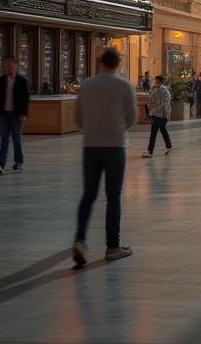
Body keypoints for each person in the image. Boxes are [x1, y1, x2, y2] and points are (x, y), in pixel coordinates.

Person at [72, 47, 138, 268]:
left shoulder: (86, 85)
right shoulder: (124, 86)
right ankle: (112, 246)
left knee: (88, 196)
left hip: (91, 146)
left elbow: (77, 117)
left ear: (100, 62)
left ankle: (80, 240)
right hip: (115, 146)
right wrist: (116, 129)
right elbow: (132, 117)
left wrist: (92, 130)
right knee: (113, 197)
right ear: (118, 64)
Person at [0, 57, 30, 175]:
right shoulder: (2, 80)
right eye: (8, 67)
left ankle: (18, 162)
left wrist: (24, 113)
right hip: (4, 114)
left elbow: (25, 98)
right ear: (5, 67)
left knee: (17, 139)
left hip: (16, 114)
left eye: (12, 67)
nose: (10, 69)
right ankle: (0, 164)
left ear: (16, 67)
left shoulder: (22, 80)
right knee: (4, 140)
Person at [142, 74, 173, 158]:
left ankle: (150, 151)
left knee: (154, 132)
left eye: (155, 80)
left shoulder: (161, 90)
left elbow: (164, 103)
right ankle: (169, 145)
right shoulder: (160, 90)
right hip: (158, 114)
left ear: (158, 81)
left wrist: (164, 113)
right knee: (162, 129)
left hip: (158, 114)